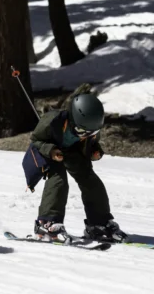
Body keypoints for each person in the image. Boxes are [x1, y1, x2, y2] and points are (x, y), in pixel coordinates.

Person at [27, 93, 128, 243]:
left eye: (91, 133)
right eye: (81, 132)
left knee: (91, 181)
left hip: (72, 152)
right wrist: (51, 150)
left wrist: (95, 151)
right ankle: (47, 223)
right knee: (58, 180)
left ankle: (98, 223)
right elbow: (36, 140)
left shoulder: (89, 126)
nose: (84, 136)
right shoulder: (51, 120)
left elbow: (92, 143)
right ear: (72, 119)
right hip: (48, 150)